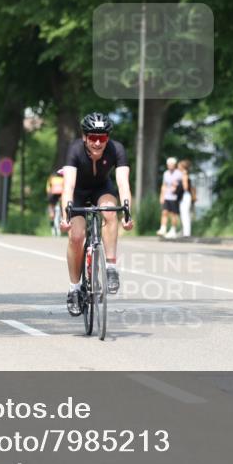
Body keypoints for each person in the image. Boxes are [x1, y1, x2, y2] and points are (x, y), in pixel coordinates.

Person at [59, 112, 134, 315]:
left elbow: (123, 184)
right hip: (78, 192)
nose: (97, 143)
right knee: (76, 237)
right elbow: (68, 186)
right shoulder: (74, 149)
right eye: (93, 137)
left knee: (110, 213)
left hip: (102, 188)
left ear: (108, 138)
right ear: (85, 137)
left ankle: (110, 267)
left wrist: (127, 214)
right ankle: (74, 289)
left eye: (102, 138)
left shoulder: (116, 149)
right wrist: (65, 217)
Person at [157, 157, 182, 238]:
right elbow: (164, 185)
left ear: (174, 165)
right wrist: (162, 196)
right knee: (164, 212)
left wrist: (176, 186)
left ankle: (173, 229)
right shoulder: (166, 173)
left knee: (173, 214)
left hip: (174, 197)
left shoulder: (178, 173)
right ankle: (163, 228)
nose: (170, 166)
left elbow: (180, 185)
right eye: (169, 165)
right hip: (167, 196)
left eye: (171, 164)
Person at [177, 159, 196, 237]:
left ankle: (186, 233)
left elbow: (185, 187)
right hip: (186, 196)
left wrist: (178, 187)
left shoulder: (184, 175)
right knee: (185, 214)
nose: (178, 167)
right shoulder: (186, 175)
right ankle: (185, 232)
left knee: (185, 214)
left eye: (179, 166)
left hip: (185, 196)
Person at [46, 168, 65, 236]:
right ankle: (63, 215)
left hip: (53, 194)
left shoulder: (51, 179)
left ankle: (51, 214)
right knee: (63, 205)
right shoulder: (63, 179)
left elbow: (48, 189)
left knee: (51, 206)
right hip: (61, 194)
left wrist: (48, 196)